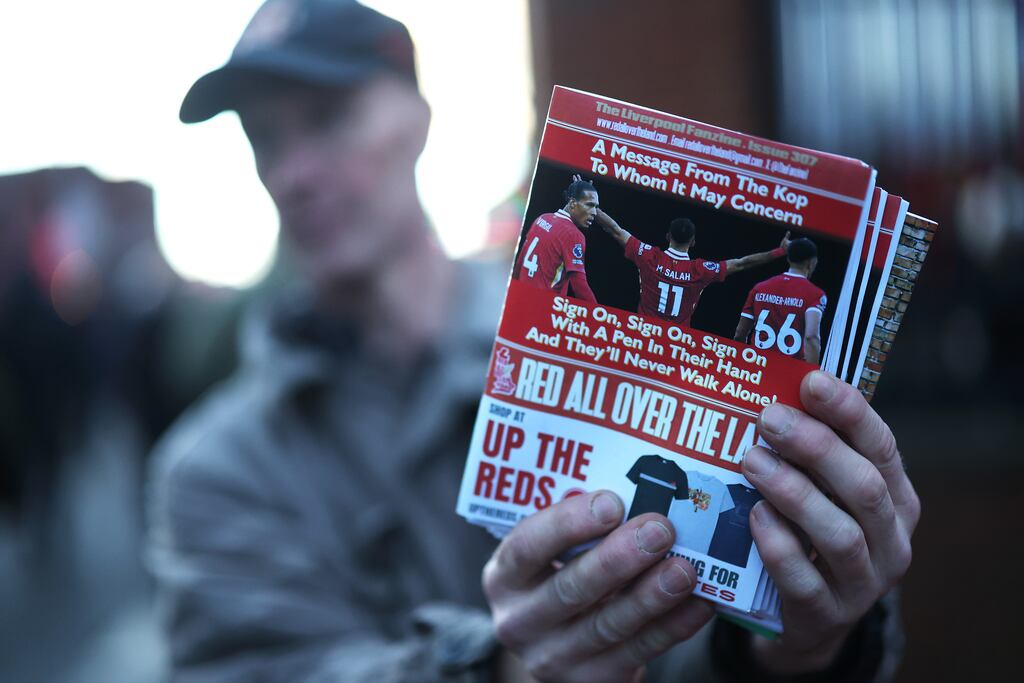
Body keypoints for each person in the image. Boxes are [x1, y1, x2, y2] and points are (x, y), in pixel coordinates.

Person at [148, 2, 918, 682]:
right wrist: (498, 670)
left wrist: (793, 650)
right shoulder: (217, 467)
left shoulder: (600, 357)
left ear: (417, 118)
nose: (292, 172)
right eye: (264, 137)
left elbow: (685, 629)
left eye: (327, 118)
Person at [596, 209, 789, 328]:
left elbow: (615, 230)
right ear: (693, 241)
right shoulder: (701, 270)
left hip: (641, 334)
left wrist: (590, 205)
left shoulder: (649, 256)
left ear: (667, 236)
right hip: (678, 343)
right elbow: (742, 263)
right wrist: (780, 251)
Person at [734, 237, 827, 364]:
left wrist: (742, 363)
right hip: (789, 370)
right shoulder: (815, 294)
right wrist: (812, 371)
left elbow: (740, 333)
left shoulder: (760, 288)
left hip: (757, 366)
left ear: (788, 259)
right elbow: (811, 336)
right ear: (812, 262)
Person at [511, 178, 598, 302]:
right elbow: (579, 286)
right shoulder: (573, 235)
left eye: (596, 207)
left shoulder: (542, 218)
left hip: (520, 298)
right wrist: (596, 312)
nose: (594, 212)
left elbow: (520, 261)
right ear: (573, 203)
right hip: (542, 305)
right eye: (590, 205)